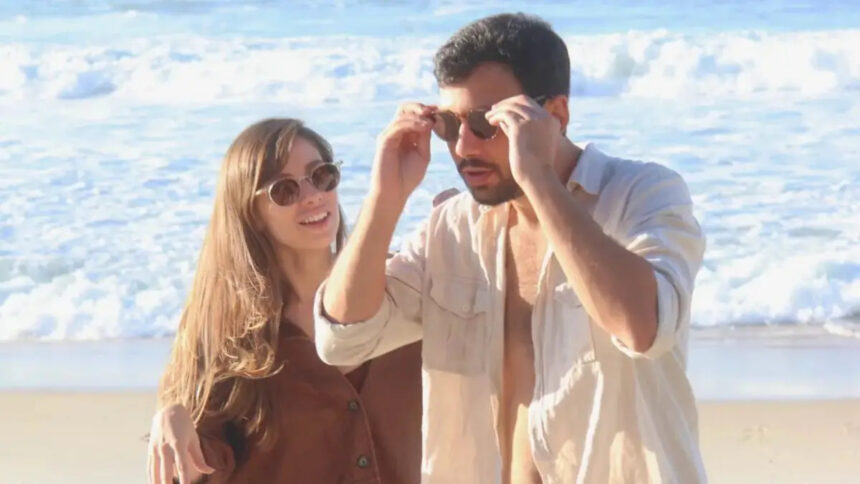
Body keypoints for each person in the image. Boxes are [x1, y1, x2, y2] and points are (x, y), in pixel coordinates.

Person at [314, 13, 707, 484]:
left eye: (487, 123)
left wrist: (537, 176)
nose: (463, 146)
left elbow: (645, 328)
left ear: (556, 115)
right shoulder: (452, 229)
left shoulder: (644, 194)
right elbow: (343, 339)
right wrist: (385, 197)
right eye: (448, 124)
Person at [147, 118, 433, 484]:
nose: (313, 195)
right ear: (252, 214)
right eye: (284, 190)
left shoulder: (403, 289)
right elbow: (199, 460)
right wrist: (173, 413)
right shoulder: (233, 334)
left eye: (322, 175)